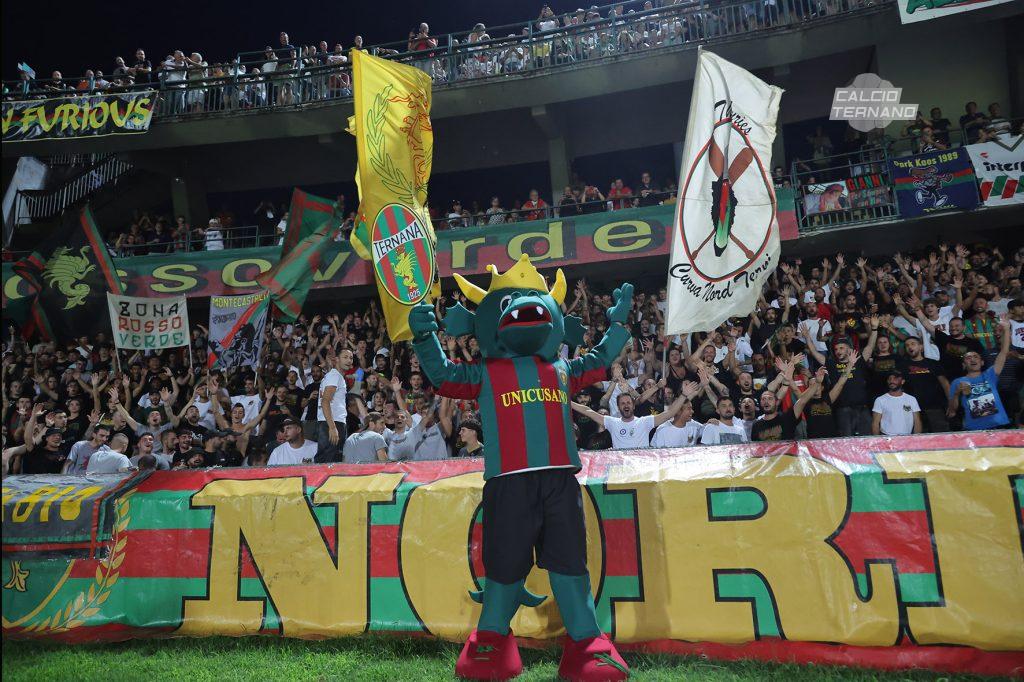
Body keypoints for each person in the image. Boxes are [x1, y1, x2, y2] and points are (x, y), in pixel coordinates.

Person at [571, 387, 692, 450]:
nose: (626, 405)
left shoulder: (644, 422)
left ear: (633, 406)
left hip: (641, 468)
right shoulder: (612, 422)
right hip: (622, 469)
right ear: (618, 407)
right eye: (622, 403)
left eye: (628, 402)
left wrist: (683, 395)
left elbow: (669, 413)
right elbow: (588, 411)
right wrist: (569, 403)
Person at [948, 319, 1012, 430]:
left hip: (998, 425)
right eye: (968, 358)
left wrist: (1006, 329)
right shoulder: (957, 382)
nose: (972, 359)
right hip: (974, 428)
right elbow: (952, 412)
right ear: (964, 364)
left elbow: (1004, 352)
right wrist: (957, 393)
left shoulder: (990, 374)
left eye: (975, 357)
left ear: (982, 362)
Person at [316, 349, 353, 463]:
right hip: (332, 423)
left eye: (351, 358)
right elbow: (325, 401)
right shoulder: (334, 376)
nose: (349, 360)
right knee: (328, 461)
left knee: (333, 460)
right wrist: (332, 427)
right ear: (336, 359)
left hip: (332, 422)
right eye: (345, 357)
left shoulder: (335, 376)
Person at [871, 371, 922, 436]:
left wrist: (917, 439)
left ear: (903, 381)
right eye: (889, 379)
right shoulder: (880, 400)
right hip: (887, 438)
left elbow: (917, 421)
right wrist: (877, 441)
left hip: (907, 437)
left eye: (895, 378)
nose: (892, 381)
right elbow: (875, 423)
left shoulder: (911, 399)